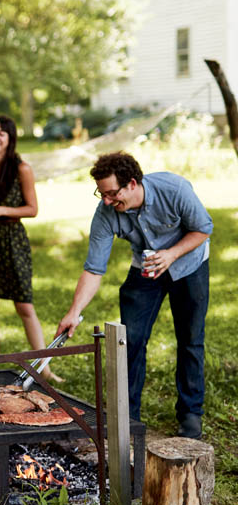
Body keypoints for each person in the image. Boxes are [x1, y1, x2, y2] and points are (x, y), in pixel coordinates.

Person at [57, 151, 212, 439]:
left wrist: (171, 254)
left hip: (190, 264)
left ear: (131, 183)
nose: (106, 201)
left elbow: (203, 228)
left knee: (191, 339)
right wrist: (73, 312)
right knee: (129, 342)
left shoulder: (174, 190)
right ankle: (127, 418)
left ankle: (191, 413)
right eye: (101, 194)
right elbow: (94, 269)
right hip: (146, 269)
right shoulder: (106, 213)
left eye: (112, 193)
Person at [0, 115, 62, 382]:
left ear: (10, 139)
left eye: (1, 133)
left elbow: (32, 209)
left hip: (12, 240)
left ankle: (45, 367)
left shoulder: (22, 169)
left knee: (24, 306)